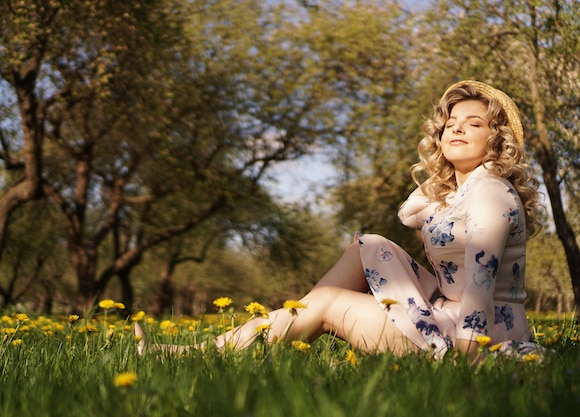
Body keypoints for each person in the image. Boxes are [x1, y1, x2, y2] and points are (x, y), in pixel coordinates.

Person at [135, 80, 544, 361]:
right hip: (448, 314)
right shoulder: (462, 191)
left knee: (328, 302)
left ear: (498, 139)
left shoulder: (490, 192)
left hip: (478, 335)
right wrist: (444, 176)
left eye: (473, 124)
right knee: (367, 245)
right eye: (450, 124)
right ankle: (292, 324)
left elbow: (479, 286)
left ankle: (267, 335)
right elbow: (408, 213)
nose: (456, 129)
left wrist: (468, 362)